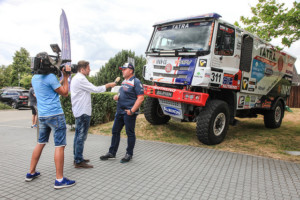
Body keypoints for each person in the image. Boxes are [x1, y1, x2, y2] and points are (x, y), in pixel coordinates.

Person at [25, 65, 76, 189]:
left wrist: (62, 78)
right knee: (59, 145)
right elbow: (64, 93)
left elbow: (52, 86)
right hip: (55, 115)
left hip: (42, 116)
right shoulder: (51, 77)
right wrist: (66, 76)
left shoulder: (34, 78)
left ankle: (31, 173)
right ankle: (59, 180)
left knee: (40, 142)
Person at [71, 60, 116, 168]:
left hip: (79, 111)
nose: (90, 69)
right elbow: (95, 89)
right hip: (83, 112)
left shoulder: (76, 78)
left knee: (78, 136)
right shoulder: (81, 79)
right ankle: (78, 161)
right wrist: (108, 85)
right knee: (81, 136)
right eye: (88, 68)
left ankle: (78, 157)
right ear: (82, 69)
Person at [100, 62, 144, 163]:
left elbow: (141, 98)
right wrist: (117, 96)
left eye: (124, 69)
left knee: (130, 133)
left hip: (129, 113)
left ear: (131, 70)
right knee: (115, 131)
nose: (122, 71)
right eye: (122, 69)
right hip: (119, 111)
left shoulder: (136, 82)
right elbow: (121, 93)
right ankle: (112, 153)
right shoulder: (124, 81)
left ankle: (129, 154)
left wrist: (132, 110)